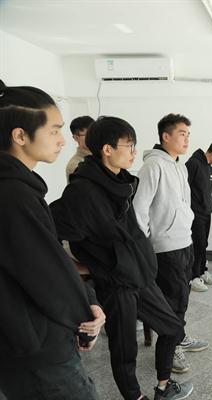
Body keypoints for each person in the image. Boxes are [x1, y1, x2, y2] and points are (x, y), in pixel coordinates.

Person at [50, 116, 193, 400]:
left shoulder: (121, 181)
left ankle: (163, 386)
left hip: (140, 275)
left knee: (173, 327)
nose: (134, 152)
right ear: (107, 149)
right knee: (125, 350)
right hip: (116, 284)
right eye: (129, 146)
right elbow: (53, 233)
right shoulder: (82, 190)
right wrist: (85, 268)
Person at [0, 82, 105, 400]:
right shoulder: (14, 195)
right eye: (54, 130)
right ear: (20, 136)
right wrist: (86, 316)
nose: (62, 140)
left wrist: (86, 299)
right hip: (36, 349)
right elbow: (45, 273)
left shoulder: (19, 188)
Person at [133, 113, 208, 374]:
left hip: (184, 241)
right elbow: (139, 209)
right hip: (166, 247)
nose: (186, 139)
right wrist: (145, 246)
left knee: (182, 297)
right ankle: (171, 345)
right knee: (172, 301)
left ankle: (179, 336)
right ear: (165, 136)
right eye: (181, 134)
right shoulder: (153, 166)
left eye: (188, 134)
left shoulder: (179, 165)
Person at [186, 142, 212, 292]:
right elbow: (184, 189)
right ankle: (193, 277)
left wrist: (210, 203)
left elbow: (206, 191)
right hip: (195, 213)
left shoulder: (209, 167)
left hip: (206, 212)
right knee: (197, 244)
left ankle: (202, 271)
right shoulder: (193, 164)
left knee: (203, 243)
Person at [65, 115, 94, 181]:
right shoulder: (74, 166)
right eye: (88, 134)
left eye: (95, 132)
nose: (94, 137)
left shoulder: (104, 155)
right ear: (76, 138)